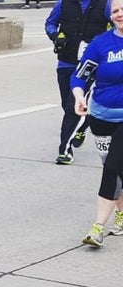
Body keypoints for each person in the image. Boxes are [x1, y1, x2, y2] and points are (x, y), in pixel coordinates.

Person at [71, 0, 123, 247]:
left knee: (112, 166)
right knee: (117, 168)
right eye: (115, 11)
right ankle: (121, 214)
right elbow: (80, 75)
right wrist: (79, 97)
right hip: (101, 115)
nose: (120, 14)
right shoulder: (101, 44)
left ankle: (98, 227)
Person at [45, 0, 109, 164]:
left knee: (71, 107)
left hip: (90, 65)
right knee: (66, 103)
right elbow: (50, 23)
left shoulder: (105, 4)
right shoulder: (63, 4)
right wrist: (55, 35)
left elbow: (116, 25)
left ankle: (65, 151)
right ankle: (82, 125)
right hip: (66, 62)